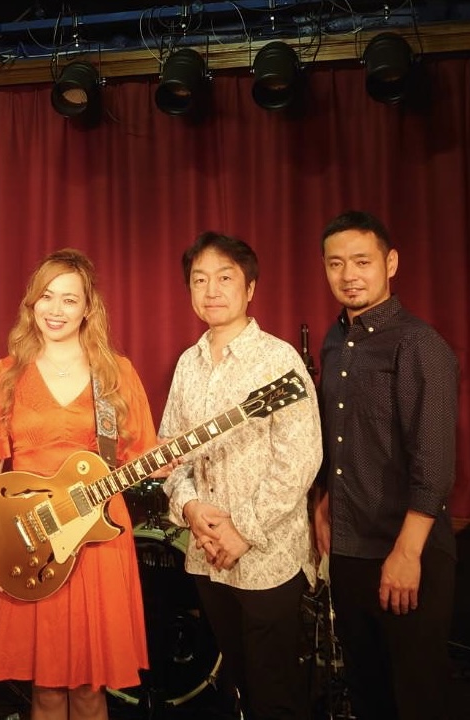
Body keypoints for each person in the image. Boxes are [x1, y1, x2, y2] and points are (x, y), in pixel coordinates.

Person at [0, 249, 156, 720]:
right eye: (46, 297)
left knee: (90, 690)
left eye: (69, 300)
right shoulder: (9, 373)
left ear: (88, 308)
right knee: (45, 691)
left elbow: (143, 458)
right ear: (31, 303)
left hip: (98, 539)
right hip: (29, 537)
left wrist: (169, 456)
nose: (55, 309)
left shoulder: (116, 373)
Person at [158, 232, 322, 720]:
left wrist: (241, 530)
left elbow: (300, 460)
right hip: (206, 554)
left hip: (267, 555)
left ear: (250, 288)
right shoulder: (188, 364)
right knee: (238, 687)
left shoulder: (278, 359)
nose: (211, 290)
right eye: (200, 280)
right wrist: (189, 507)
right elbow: (171, 451)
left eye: (225, 278)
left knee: (276, 693)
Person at [313, 210, 459, 720]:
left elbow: (434, 462)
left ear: (390, 263)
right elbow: (341, 436)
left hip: (406, 548)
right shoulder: (335, 340)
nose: (348, 274)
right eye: (336, 263)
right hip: (349, 547)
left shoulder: (418, 343)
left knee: (415, 697)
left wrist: (407, 553)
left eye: (362, 261)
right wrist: (325, 500)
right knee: (366, 691)